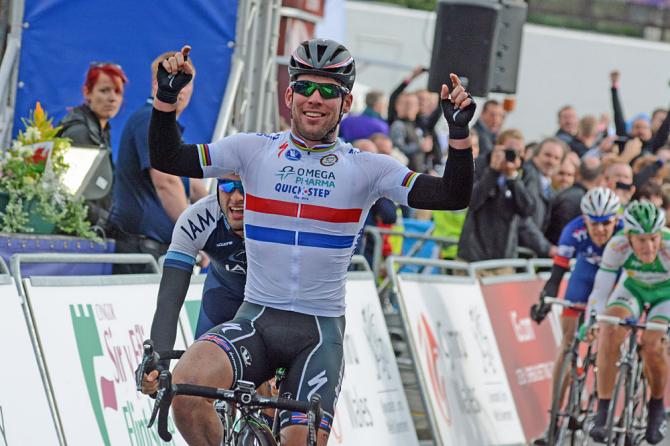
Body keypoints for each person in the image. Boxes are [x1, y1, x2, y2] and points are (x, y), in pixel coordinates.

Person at [147, 39, 475, 446]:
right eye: (304, 87)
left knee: (297, 440)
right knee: (187, 389)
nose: (314, 98)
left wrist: (458, 135)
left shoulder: (367, 168)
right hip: (256, 320)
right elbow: (168, 157)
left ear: (347, 102)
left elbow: (451, 195)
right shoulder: (252, 151)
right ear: (289, 96)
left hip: (317, 334)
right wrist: (166, 100)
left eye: (328, 91)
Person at [139, 175, 277, 423]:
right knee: (197, 389)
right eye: (227, 186)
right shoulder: (199, 217)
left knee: (275, 399)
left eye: (245, 187)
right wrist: (157, 368)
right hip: (222, 302)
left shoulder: (283, 215)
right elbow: (169, 302)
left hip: (275, 306)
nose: (236, 197)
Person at [529, 187, 622, 445]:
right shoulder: (573, 230)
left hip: (614, 282)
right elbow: (557, 273)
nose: (600, 230)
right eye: (594, 223)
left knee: (610, 340)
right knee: (567, 343)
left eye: (606, 223)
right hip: (584, 276)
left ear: (616, 219)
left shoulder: (625, 233)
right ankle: (554, 420)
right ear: (585, 219)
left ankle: (608, 412)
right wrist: (545, 300)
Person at [107, 51, 206, 273]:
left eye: (186, 82)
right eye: (174, 80)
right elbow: (167, 183)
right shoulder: (148, 120)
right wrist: (197, 239)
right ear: (156, 85)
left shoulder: (168, 130)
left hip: (154, 254)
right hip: (142, 256)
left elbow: (196, 188)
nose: (181, 89)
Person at [587, 201, 670, 444]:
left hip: (665, 294)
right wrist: (593, 320)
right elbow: (601, 289)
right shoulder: (617, 245)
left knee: (653, 345)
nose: (649, 246)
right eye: (641, 240)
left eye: (653, 239)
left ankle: (656, 408)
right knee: (609, 328)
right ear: (629, 237)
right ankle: (603, 411)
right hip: (633, 288)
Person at [57, 62, 128, 226]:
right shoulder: (80, 132)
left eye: (118, 92)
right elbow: (70, 195)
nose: (112, 98)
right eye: (104, 90)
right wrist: (108, 223)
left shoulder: (100, 128)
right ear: (87, 92)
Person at [457, 129, 534, 261]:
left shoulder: (525, 172)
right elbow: (472, 201)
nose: (513, 155)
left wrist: (513, 178)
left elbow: (527, 209)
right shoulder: (478, 165)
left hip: (504, 258)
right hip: (472, 255)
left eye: (519, 152)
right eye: (510, 151)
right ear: (497, 147)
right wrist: (493, 171)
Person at [545, 156, 603, 245]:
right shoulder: (585, 200)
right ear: (600, 178)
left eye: (569, 174)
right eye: (561, 173)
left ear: (577, 173)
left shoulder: (565, 194)